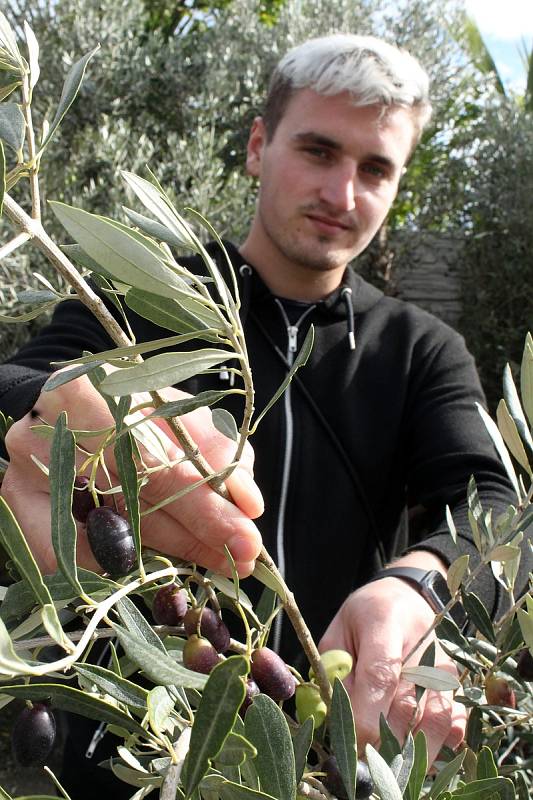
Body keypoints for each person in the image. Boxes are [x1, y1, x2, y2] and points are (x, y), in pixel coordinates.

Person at [0, 33, 530, 794]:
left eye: (375, 168)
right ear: (257, 147)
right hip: (131, 750)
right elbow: (24, 377)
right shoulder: (140, 306)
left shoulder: (420, 351)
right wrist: (37, 417)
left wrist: (418, 582)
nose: (342, 194)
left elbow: (491, 500)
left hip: (315, 759)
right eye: (318, 151)